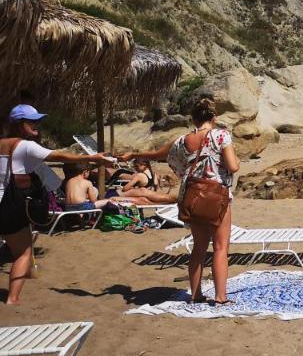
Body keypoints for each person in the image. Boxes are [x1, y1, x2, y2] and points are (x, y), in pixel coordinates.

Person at [120, 98, 239, 304]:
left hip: (192, 197)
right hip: (216, 197)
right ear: (213, 117)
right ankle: (220, 297)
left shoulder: (182, 141)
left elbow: (158, 154)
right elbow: (233, 166)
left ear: (193, 119)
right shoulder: (221, 136)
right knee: (220, 247)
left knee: (198, 248)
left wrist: (133, 154)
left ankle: (195, 295)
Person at [0, 104, 115, 305]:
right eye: (31, 121)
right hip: (10, 206)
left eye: (38, 121)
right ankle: (13, 299)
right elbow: (58, 155)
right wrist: (91, 157)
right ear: (19, 124)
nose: (37, 125)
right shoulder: (26, 146)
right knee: (23, 252)